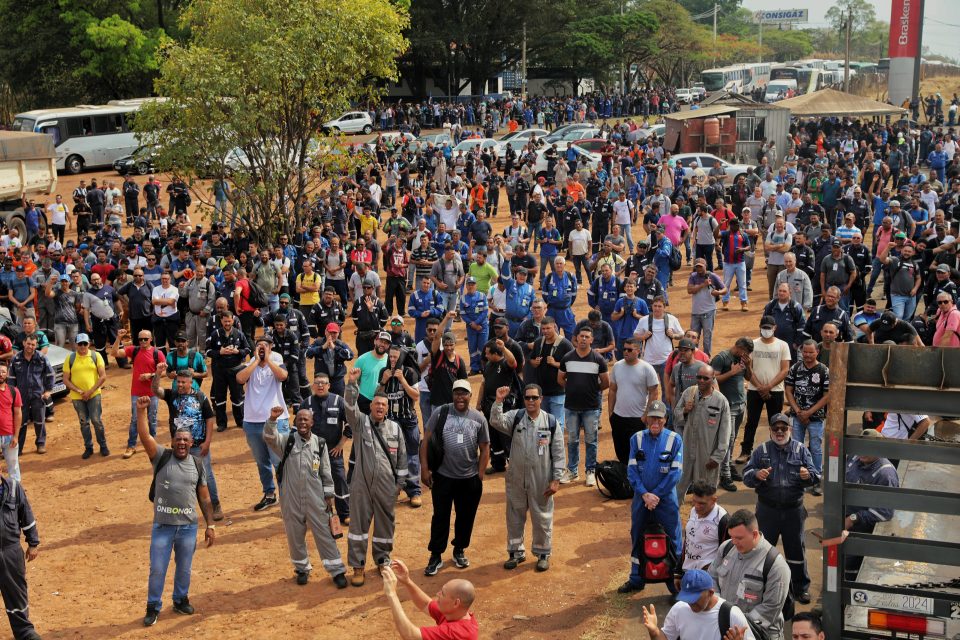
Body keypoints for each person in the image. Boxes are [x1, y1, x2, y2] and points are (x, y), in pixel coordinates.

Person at [136, 396, 215, 627]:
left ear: (192, 443)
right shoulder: (161, 457)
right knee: (158, 569)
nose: (181, 443)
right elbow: (144, 437)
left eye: (186, 440)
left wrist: (210, 525)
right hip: (162, 527)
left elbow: (205, 498)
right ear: (172, 442)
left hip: (188, 527)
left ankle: (180, 600)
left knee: (184, 568)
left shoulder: (198, 464)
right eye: (178, 439)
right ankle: (153, 606)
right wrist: (141, 412)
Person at [263, 405, 348, 589]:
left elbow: (326, 471)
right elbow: (270, 438)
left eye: (306, 419)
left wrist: (329, 495)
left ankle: (337, 570)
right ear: (295, 422)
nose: (302, 422)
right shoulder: (287, 441)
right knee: (295, 535)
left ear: (312, 422)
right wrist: (272, 420)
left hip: (315, 498)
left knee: (325, 534)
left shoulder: (321, 443)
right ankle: (302, 569)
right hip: (291, 498)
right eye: (299, 419)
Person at [743, 414, 818, 605]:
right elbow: (746, 475)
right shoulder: (762, 450)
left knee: (796, 551)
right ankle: (760, 588)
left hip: (793, 511)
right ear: (770, 430)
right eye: (775, 428)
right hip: (767, 510)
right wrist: (756, 474)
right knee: (762, 551)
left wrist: (807, 476)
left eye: (783, 428)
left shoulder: (801, 450)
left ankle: (800, 588)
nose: (779, 432)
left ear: (790, 430)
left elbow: (816, 477)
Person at [343, 368, 407, 587]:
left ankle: (382, 561)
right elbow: (350, 409)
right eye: (376, 404)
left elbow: (402, 459)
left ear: (387, 408)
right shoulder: (361, 425)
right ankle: (358, 566)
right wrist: (351, 385)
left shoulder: (395, 429)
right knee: (358, 528)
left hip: (386, 487)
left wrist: (398, 485)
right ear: (370, 406)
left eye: (383, 405)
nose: (380, 407)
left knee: (385, 527)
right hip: (361, 485)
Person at [421, 379, 490, 576]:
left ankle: (459, 549)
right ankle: (435, 555)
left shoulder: (478, 419)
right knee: (440, 516)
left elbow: (485, 448)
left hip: (469, 479)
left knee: (465, 517)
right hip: (443, 476)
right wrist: (424, 469)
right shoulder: (441, 412)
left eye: (464, 393)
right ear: (452, 395)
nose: (460, 397)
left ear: (470, 395)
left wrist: (480, 475)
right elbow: (425, 441)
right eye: (457, 393)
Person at [619, 400, 683, 594]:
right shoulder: (636, 439)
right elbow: (631, 470)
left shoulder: (675, 439)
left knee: (673, 539)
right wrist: (645, 494)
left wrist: (656, 495)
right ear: (646, 419)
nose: (655, 421)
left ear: (665, 419)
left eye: (660, 418)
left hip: (666, 500)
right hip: (641, 499)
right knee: (637, 535)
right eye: (652, 417)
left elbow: (675, 473)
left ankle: (675, 583)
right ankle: (636, 578)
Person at [152, 363, 224, 522]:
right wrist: (158, 374)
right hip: (179, 447)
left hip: (198, 445)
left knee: (206, 476)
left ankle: (215, 505)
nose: (180, 385)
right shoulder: (172, 395)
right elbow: (156, 390)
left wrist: (208, 441)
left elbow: (209, 418)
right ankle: (180, 508)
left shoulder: (200, 397)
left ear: (191, 382)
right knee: (178, 476)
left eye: (183, 382)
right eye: (178, 382)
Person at [709, 509, 790, 640]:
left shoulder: (776, 565)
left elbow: (770, 608)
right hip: (726, 629)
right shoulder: (726, 548)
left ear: (754, 534)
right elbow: (712, 577)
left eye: (739, 538)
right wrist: (719, 609)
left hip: (759, 633)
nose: (734, 542)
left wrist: (736, 624)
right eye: (732, 537)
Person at [236, 335, 290, 512]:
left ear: (271, 347)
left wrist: (267, 359)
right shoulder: (250, 363)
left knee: (280, 462)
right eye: (258, 345)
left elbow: (283, 376)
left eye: (265, 345)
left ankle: (288, 499)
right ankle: (269, 494)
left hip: (276, 422)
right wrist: (256, 360)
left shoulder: (277, 359)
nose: (261, 348)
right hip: (252, 422)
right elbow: (240, 379)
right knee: (262, 462)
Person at [843, 428, 899, 580]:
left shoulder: (885, 474)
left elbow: (885, 512)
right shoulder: (855, 457)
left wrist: (854, 518)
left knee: (850, 568)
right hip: (844, 521)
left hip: (862, 530)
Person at [557, 325, 609, 486]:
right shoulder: (567, 358)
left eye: (587, 337)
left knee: (591, 440)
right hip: (571, 406)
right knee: (572, 439)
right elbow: (560, 379)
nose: (584, 339)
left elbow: (606, 382)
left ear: (592, 340)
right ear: (576, 339)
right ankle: (572, 471)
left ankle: (590, 471)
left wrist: (592, 391)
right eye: (582, 336)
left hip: (591, 407)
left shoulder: (598, 359)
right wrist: (572, 389)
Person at [640, 569, 756, 640]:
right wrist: (655, 632)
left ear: (710, 593)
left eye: (695, 598)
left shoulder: (731, 615)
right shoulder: (679, 609)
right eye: (687, 598)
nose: (691, 603)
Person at [737, 317, 791, 464]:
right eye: (764, 327)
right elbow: (748, 370)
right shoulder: (752, 345)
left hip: (776, 390)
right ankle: (746, 451)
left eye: (769, 328)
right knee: (751, 422)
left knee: (776, 423)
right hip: (755, 390)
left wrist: (768, 386)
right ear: (760, 327)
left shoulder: (782, 345)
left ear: (775, 328)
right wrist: (760, 386)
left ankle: (777, 450)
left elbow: (785, 370)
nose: (766, 330)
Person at [381, 560, 479, 640]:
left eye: (443, 593)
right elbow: (426, 604)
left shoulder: (458, 633)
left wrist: (392, 594)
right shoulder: (455, 613)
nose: (438, 594)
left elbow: (410, 635)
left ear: (456, 603)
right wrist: (407, 581)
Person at [675, 367, 731, 500]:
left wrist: (717, 457)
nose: (701, 380)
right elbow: (676, 416)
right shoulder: (689, 393)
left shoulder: (721, 401)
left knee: (705, 494)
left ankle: (704, 520)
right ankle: (672, 519)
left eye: (705, 378)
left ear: (713, 379)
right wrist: (684, 411)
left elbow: (725, 432)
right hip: (687, 451)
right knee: (677, 488)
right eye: (699, 377)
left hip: (707, 455)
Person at [378, 345, 422, 508]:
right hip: (390, 421)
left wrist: (402, 380)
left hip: (408, 419)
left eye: (396, 357)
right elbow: (378, 395)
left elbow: (416, 396)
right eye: (391, 357)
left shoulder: (410, 373)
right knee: (392, 456)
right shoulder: (384, 371)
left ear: (402, 357)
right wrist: (384, 381)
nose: (392, 360)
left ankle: (415, 491)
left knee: (411, 455)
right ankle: (394, 489)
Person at [784, 340, 830, 493]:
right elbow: (789, 391)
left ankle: (816, 478)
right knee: (797, 446)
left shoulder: (824, 370)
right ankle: (799, 477)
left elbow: (827, 395)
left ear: (817, 352)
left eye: (811, 352)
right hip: (797, 416)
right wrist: (798, 411)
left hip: (816, 417)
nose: (808, 355)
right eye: (805, 352)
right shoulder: (795, 368)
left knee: (816, 448)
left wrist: (809, 412)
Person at [0, 471, 40, 640]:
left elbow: (26, 515)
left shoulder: (14, 488)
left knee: (17, 598)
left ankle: (25, 633)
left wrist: (33, 543)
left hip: (11, 553)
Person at [608, 337, 661, 464]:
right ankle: (624, 481)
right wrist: (611, 413)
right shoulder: (617, 366)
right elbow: (612, 390)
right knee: (621, 452)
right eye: (624, 349)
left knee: (638, 454)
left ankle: (636, 481)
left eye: (629, 349)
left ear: (638, 351)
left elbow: (654, 392)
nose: (625, 352)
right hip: (618, 418)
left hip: (637, 419)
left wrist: (646, 415)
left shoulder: (647, 368)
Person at [62, 333, 108, 459]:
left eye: (85, 344)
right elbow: (65, 379)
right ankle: (89, 447)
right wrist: (78, 390)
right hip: (77, 397)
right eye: (80, 344)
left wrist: (90, 391)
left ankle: (103, 446)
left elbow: (103, 376)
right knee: (84, 422)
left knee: (96, 420)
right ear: (76, 344)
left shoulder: (95, 355)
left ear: (89, 344)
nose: (82, 346)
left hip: (94, 394)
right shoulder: (70, 358)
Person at [8, 336, 53, 456]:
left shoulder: (42, 358)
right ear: (23, 343)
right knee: (20, 422)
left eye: (33, 344)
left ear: (36, 345)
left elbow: (50, 374)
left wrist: (48, 391)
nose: (30, 346)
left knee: (39, 420)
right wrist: (12, 395)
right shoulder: (16, 359)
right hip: (21, 397)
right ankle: (18, 448)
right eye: (28, 344)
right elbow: (11, 379)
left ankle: (40, 443)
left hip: (38, 395)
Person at [204, 311, 249, 432]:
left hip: (236, 371)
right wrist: (220, 352)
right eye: (225, 321)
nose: (227, 323)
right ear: (221, 321)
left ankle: (240, 421)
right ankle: (221, 423)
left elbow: (248, 349)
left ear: (233, 321)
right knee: (220, 398)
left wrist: (237, 352)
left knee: (237, 397)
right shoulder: (215, 334)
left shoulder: (239, 334)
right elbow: (207, 351)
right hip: (220, 371)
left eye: (229, 321)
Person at [680, 482, 729, 578]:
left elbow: (728, 554)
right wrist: (678, 572)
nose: (697, 506)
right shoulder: (693, 511)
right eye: (694, 501)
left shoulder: (723, 520)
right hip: (688, 571)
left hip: (708, 575)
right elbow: (688, 542)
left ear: (714, 500)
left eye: (702, 503)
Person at [305, 322, 354, 396]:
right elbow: (306, 353)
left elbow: (350, 355)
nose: (332, 335)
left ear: (338, 333)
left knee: (338, 402)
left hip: (337, 380)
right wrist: (322, 348)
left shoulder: (340, 344)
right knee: (321, 402)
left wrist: (335, 348)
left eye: (334, 332)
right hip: (321, 380)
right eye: (330, 332)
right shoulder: (318, 343)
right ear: (325, 332)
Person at [459, 277, 488, 375]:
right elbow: (463, 314)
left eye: (473, 284)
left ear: (476, 285)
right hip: (471, 327)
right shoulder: (463, 298)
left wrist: (477, 323)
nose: (471, 286)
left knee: (483, 347)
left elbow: (485, 312)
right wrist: (472, 324)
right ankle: (474, 368)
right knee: (472, 348)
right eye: (469, 284)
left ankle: (483, 367)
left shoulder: (482, 296)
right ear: (466, 286)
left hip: (482, 326)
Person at [0, 364, 22, 481]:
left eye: (3, 372)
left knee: (13, 467)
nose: (1, 374)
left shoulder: (14, 391)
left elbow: (18, 413)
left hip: (9, 436)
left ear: (7, 374)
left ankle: (15, 494)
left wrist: (16, 436)